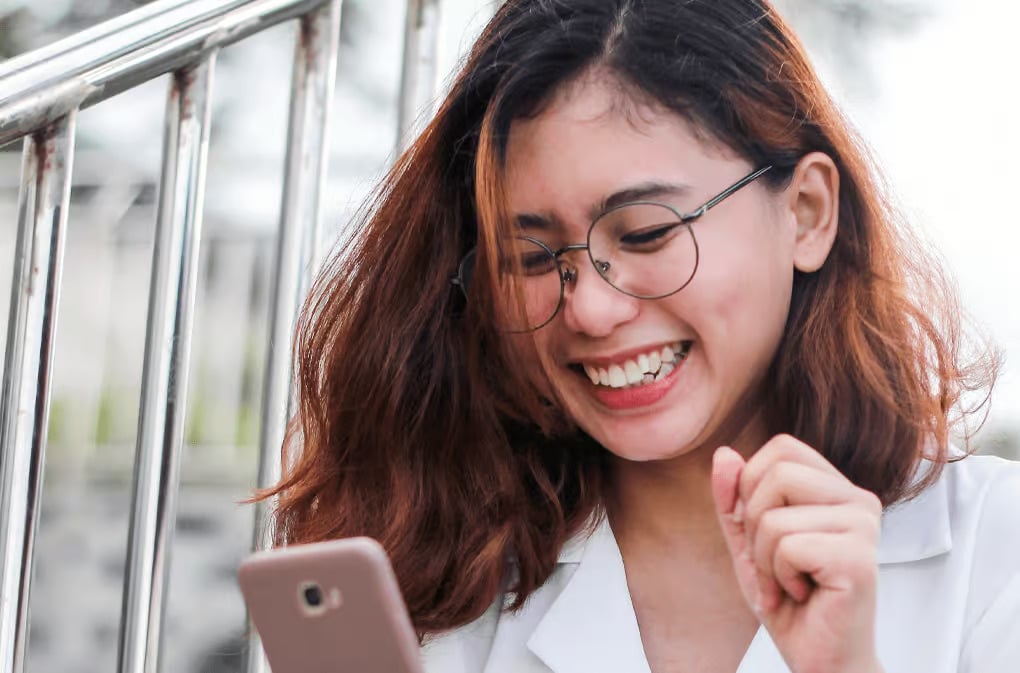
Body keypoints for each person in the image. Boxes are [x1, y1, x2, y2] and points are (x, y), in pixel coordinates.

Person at [262, 1, 1020, 671]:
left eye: (649, 233)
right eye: (532, 258)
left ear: (809, 211)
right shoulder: (426, 574)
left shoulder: (996, 549)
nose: (589, 308)